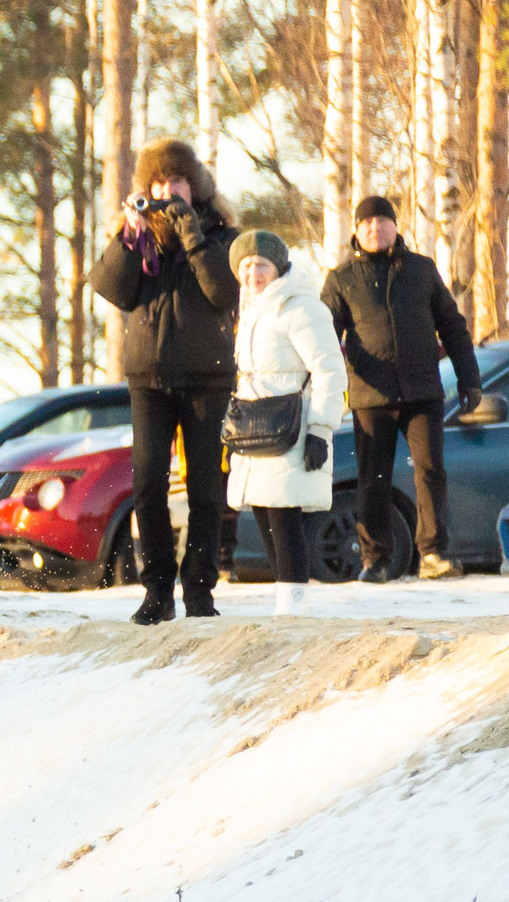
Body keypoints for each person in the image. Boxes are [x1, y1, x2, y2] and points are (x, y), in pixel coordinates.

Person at [90, 138, 241, 623]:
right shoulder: (137, 237)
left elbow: (223, 293)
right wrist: (130, 235)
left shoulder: (220, 235)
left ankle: (199, 591)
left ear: (194, 187)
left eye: (177, 181)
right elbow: (112, 290)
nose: (168, 190)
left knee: (205, 490)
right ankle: (156, 590)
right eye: (158, 182)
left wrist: (194, 236)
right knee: (148, 484)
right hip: (148, 378)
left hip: (207, 379)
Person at [319, 195, 480, 581]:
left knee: (430, 472)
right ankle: (375, 560)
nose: (376, 229)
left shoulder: (422, 270)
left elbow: (453, 327)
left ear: (395, 226)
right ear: (357, 231)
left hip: (423, 391)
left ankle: (434, 555)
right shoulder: (341, 279)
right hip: (370, 396)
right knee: (372, 479)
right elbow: (322, 336)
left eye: (383, 221)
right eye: (367, 223)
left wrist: (469, 378)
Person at [225, 231, 346, 617]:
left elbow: (329, 369)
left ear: (279, 267)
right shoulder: (251, 312)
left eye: (261, 264)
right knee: (264, 512)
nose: (253, 273)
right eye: (245, 266)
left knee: (285, 516)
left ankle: (295, 609)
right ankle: (285, 606)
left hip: (292, 428)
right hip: (257, 430)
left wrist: (320, 430)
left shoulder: (302, 308)